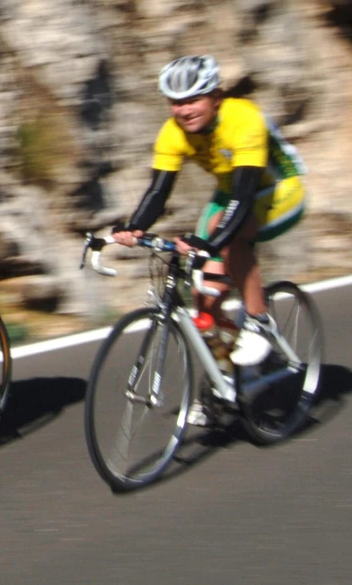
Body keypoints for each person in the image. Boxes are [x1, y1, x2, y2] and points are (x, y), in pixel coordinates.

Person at [112, 55, 306, 424]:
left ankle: (259, 320)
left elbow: (246, 195)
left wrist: (213, 243)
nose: (184, 110)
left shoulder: (243, 117)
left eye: (193, 99)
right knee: (205, 302)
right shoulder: (172, 132)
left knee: (229, 241)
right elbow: (158, 191)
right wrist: (134, 227)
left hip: (279, 189)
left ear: (216, 96)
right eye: (176, 102)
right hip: (228, 197)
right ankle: (224, 380)